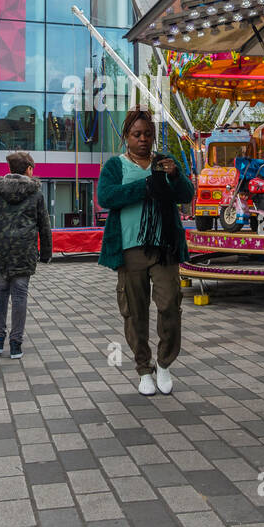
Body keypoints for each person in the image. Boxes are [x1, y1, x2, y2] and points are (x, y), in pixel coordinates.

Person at [97, 108, 194, 395]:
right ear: (126, 136)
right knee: (135, 313)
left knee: (169, 306)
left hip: (164, 248)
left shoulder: (165, 162)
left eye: (147, 134)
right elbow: (106, 197)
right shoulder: (115, 165)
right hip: (130, 249)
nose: (143, 139)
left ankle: (164, 364)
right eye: (137, 134)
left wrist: (175, 176)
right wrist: (146, 186)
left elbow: (186, 194)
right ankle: (143, 369)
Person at [0, 151, 53, 360]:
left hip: (0, 250)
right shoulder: (35, 193)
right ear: (28, 170)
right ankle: (16, 343)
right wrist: (46, 253)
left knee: (0, 294)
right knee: (20, 295)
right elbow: (44, 225)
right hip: (24, 251)